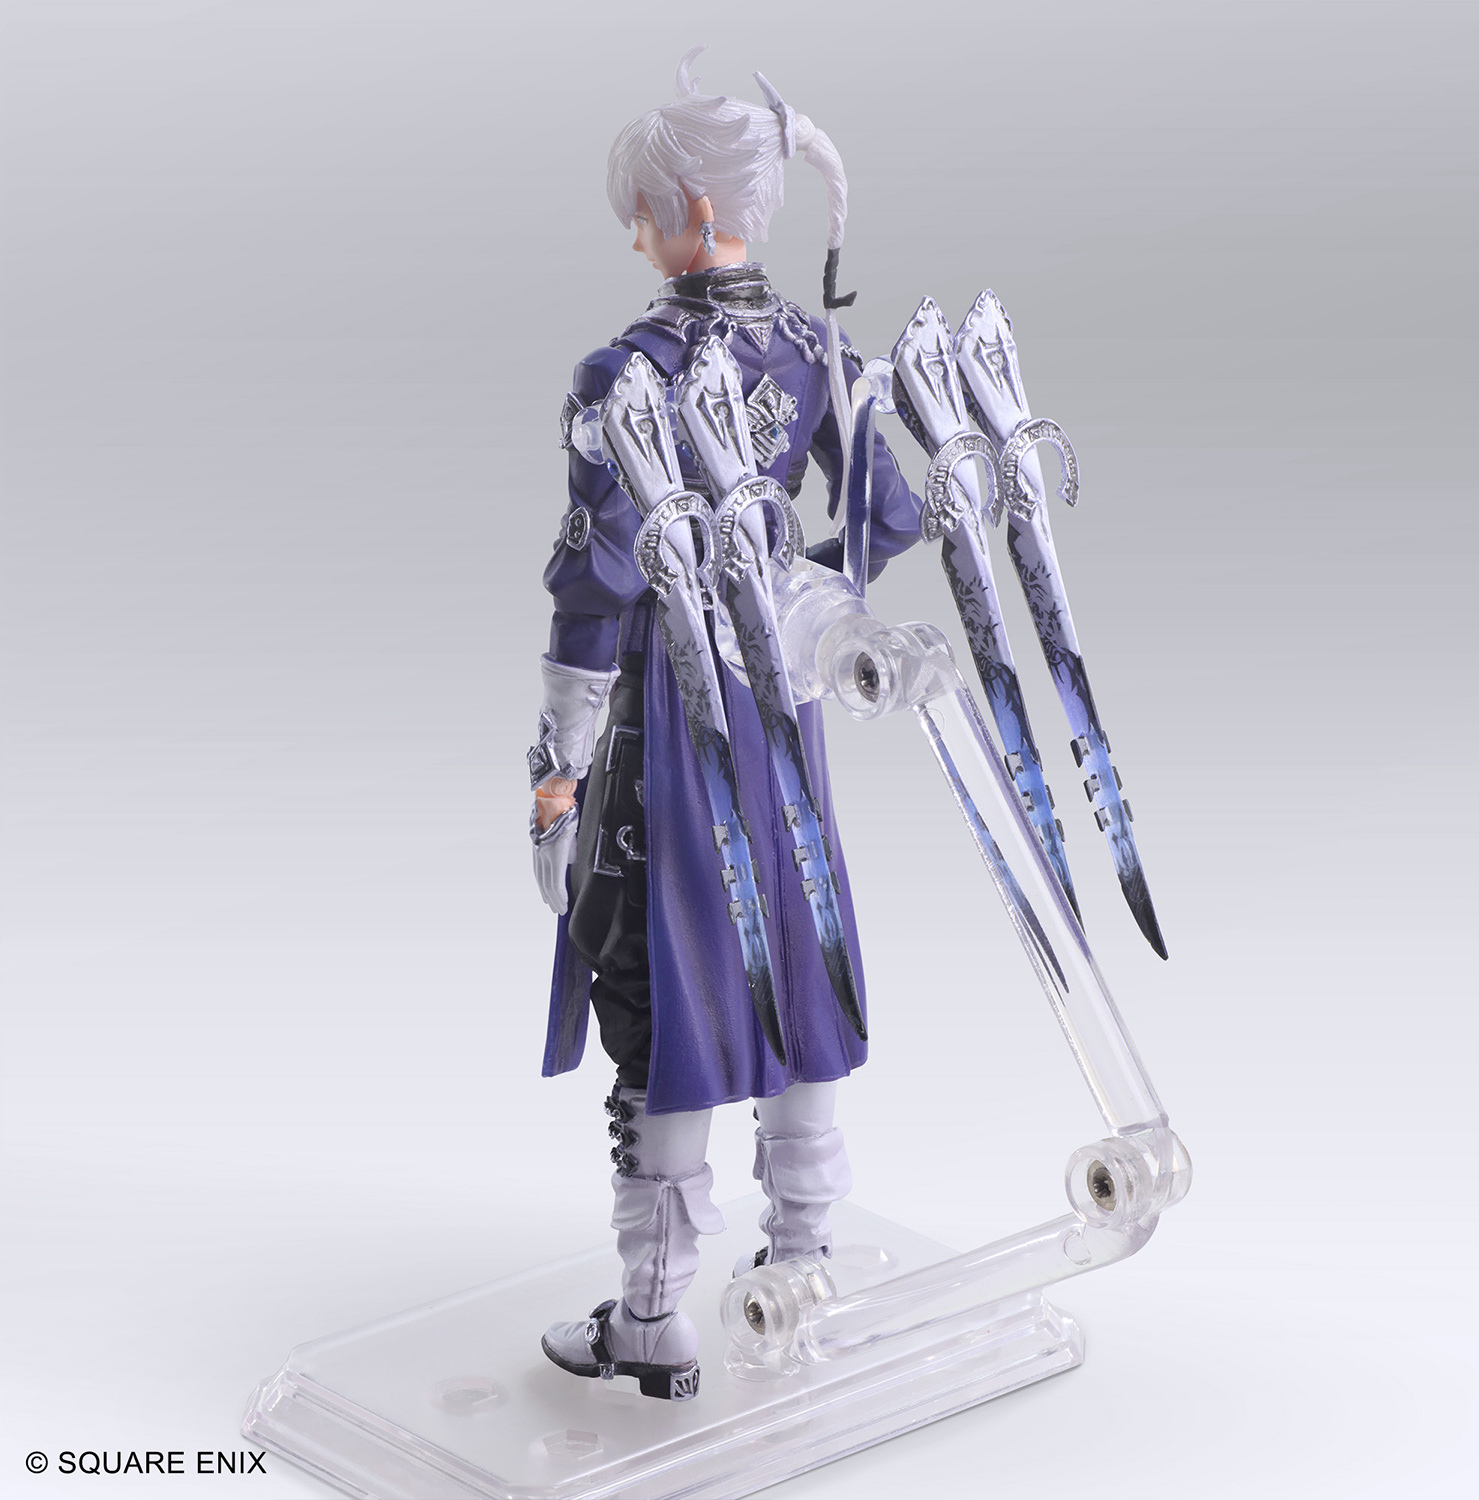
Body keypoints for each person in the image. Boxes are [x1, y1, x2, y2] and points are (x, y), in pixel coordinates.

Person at [527, 49, 921, 1400]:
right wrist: (795, 592)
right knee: (795, 955)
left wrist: (556, 781)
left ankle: (655, 1319)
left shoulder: (622, 374)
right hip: (777, 704)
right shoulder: (814, 352)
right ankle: (798, 1263)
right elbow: (885, 514)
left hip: (667, 717)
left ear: (690, 213)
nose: (633, 235)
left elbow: (595, 591)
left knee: (668, 976)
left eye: (641, 212)